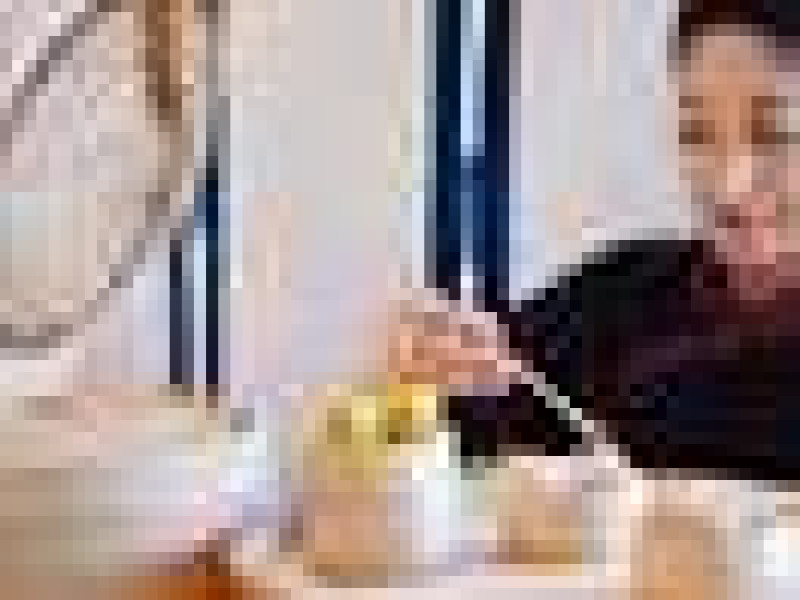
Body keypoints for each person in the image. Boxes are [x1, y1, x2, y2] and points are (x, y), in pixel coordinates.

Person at [440, 0, 800, 482]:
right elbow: (459, 429)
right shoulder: (621, 296)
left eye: (775, 134)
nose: (729, 184)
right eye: (696, 134)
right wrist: (418, 382)